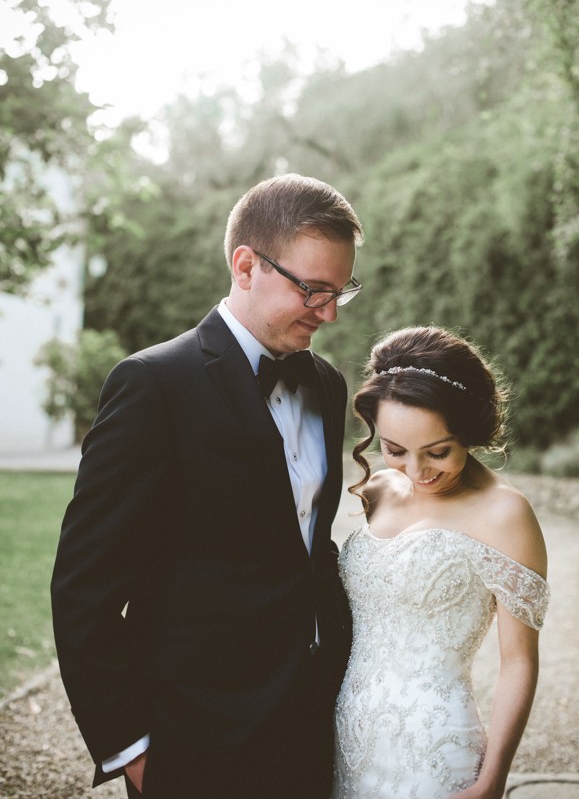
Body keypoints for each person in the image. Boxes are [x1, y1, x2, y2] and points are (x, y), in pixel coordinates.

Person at [51, 173, 364, 799]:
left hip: (309, 721)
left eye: (342, 292)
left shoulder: (328, 386)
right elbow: (84, 586)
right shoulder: (152, 386)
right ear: (246, 265)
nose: (328, 313)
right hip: (194, 740)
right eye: (313, 290)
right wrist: (133, 749)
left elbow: (304, 546)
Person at [332, 325, 549, 799]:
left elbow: (518, 662)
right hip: (345, 737)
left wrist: (493, 780)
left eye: (437, 452)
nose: (416, 471)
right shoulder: (377, 492)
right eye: (394, 451)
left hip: (436, 747)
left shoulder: (506, 514)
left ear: (468, 430)